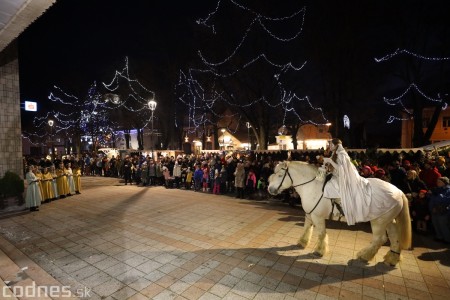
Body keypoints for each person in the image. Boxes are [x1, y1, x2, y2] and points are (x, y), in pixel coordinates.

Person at [323, 138, 373, 225]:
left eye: (331, 145)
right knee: (323, 181)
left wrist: (330, 161)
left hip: (342, 178)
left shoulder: (342, 154)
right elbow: (333, 167)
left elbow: (341, 169)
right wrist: (326, 165)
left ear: (336, 145)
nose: (329, 146)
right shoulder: (334, 154)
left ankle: (343, 208)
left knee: (329, 186)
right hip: (335, 175)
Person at [428, 177, 450, 243]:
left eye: (439, 182)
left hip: (443, 211)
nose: (437, 183)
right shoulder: (436, 189)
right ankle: (439, 237)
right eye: (437, 181)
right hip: (434, 210)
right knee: (436, 224)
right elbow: (431, 198)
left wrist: (437, 195)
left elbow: (446, 200)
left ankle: (447, 239)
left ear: (445, 183)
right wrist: (429, 194)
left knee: (443, 225)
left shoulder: (448, 190)